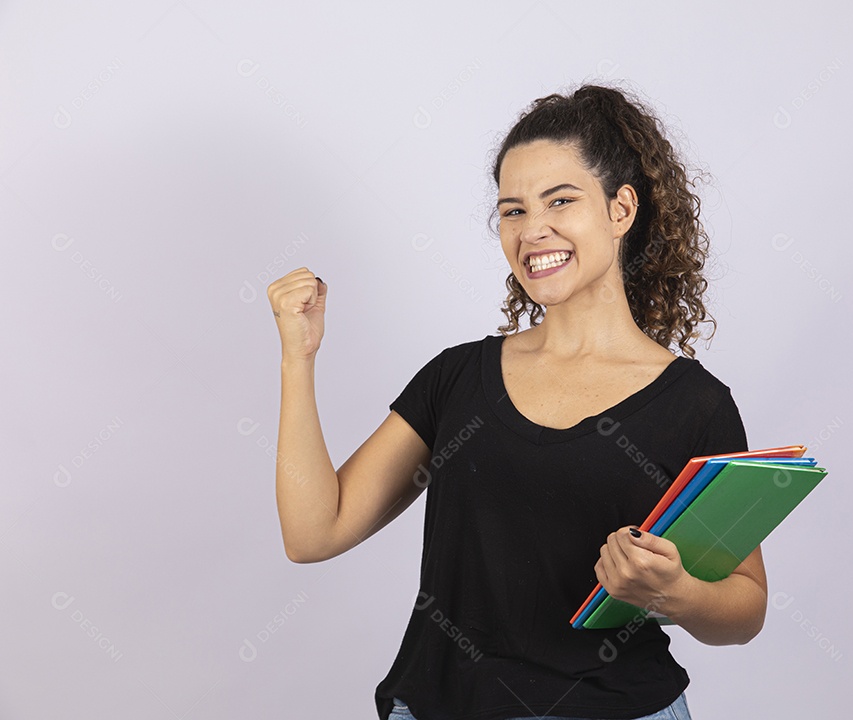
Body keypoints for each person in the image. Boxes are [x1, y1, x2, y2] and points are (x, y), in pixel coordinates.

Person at [267, 83, 767, 720]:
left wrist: (677, 592)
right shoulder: (458, 378)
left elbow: (744, 608)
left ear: (621, 210)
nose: (534, 231)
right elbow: (314, 532)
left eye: (561, 200)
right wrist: (298, 358)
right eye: (512, 211)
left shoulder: (695, 405)